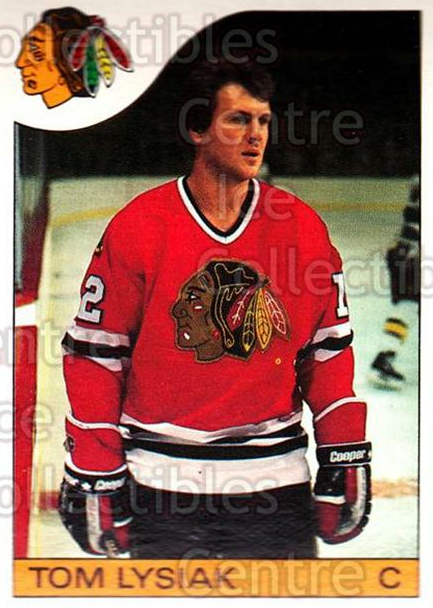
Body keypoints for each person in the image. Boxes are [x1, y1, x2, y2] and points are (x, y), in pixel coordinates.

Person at [58, 60, 371, 558]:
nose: (255, 136)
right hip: (159, 483)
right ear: (197, 129)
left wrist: (343, 451)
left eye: (263, 121)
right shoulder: (139, 226)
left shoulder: (300, 227)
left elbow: (327, 351)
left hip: (275, 482)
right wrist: (94, 466)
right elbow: (97, 355)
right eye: (237, 120)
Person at [369, 175, 420, 389]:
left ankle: (385, 356)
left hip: (402, 252)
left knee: (407, 307)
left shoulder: (419, 183)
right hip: (412, 256)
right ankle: (384, 358)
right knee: (408, 306)